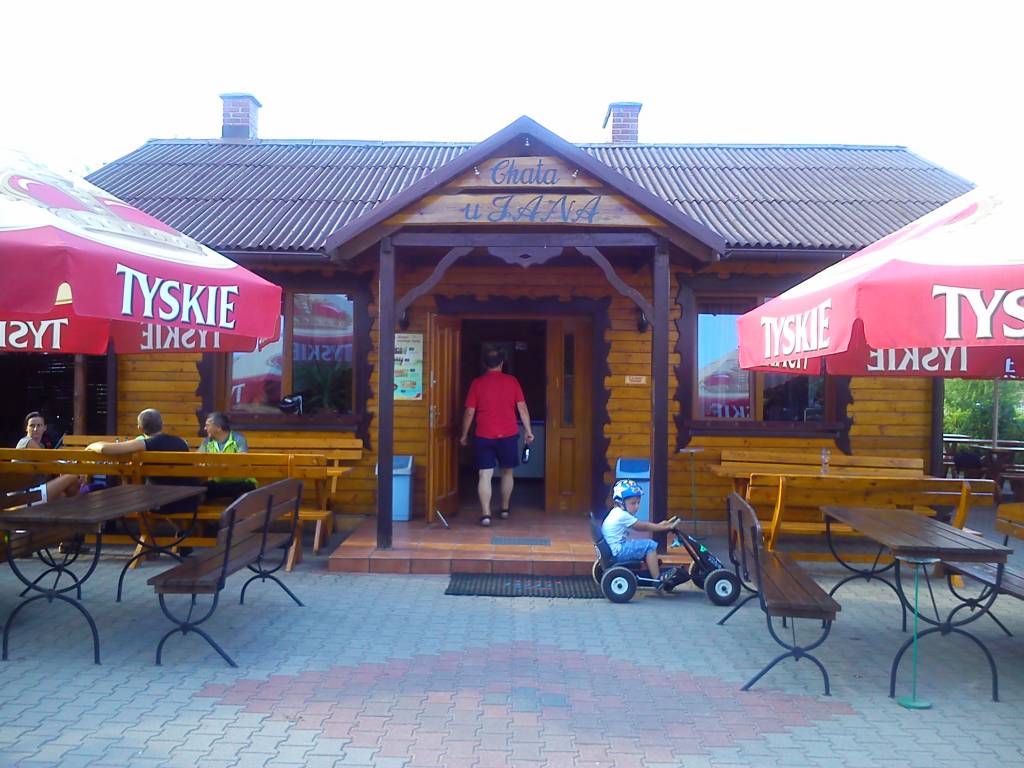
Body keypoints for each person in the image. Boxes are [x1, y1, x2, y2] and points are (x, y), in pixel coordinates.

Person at [459, 349, 534, 526]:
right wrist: (528, 431)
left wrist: (464, 434)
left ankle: (486, 514)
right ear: (501, 363)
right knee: (507, 472)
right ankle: (505, 508)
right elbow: (522, 408)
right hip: (508, 434)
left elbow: (469, 412)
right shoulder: (512, 382)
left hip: (484, 435)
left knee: (484, 474)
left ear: (484, 364)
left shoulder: (477, 383)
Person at [86, 408, 199, 514]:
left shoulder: (146, 444)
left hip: (160, 503)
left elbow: (104, 449)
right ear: (162, 425)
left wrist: (91, 445)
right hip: (189, 501)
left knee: (119, 495)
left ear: (140, 429)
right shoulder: (181, 442)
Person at [601, 479, 682, 589]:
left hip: (614, 549)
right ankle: (657, 579)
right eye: (633, 503)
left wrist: (660, 525)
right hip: (619, 551)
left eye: (638, 503)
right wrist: (665, 527)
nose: (637, 506)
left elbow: (644, 526)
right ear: (620, 502)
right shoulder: (622, 515)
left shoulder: (616, 512)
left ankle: (651, 565)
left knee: (641, 545)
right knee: (649, 545)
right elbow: (643, 527)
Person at [16, 411, 81, 503]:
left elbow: (49, 469)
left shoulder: (41, 446)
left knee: (65, 493)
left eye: (39, 425)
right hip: (24, 495)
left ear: (45, 428)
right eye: (32, 426)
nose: (35, 429)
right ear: (26, 428)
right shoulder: (27, 442)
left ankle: (76, 507)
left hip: (33, 492)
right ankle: (79, 508)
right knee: (72, 476)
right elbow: (52, 464)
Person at [198, 411, 256, 499]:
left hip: (240, 483)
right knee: (200, 491)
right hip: (217, 483)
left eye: (208, 425)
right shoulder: (207, 442)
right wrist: (202, 464)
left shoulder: (238, 439)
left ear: (218, 428)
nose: (205, 428)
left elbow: (242, 461)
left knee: (245, 492)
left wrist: (215, 464)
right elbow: (197, 459)